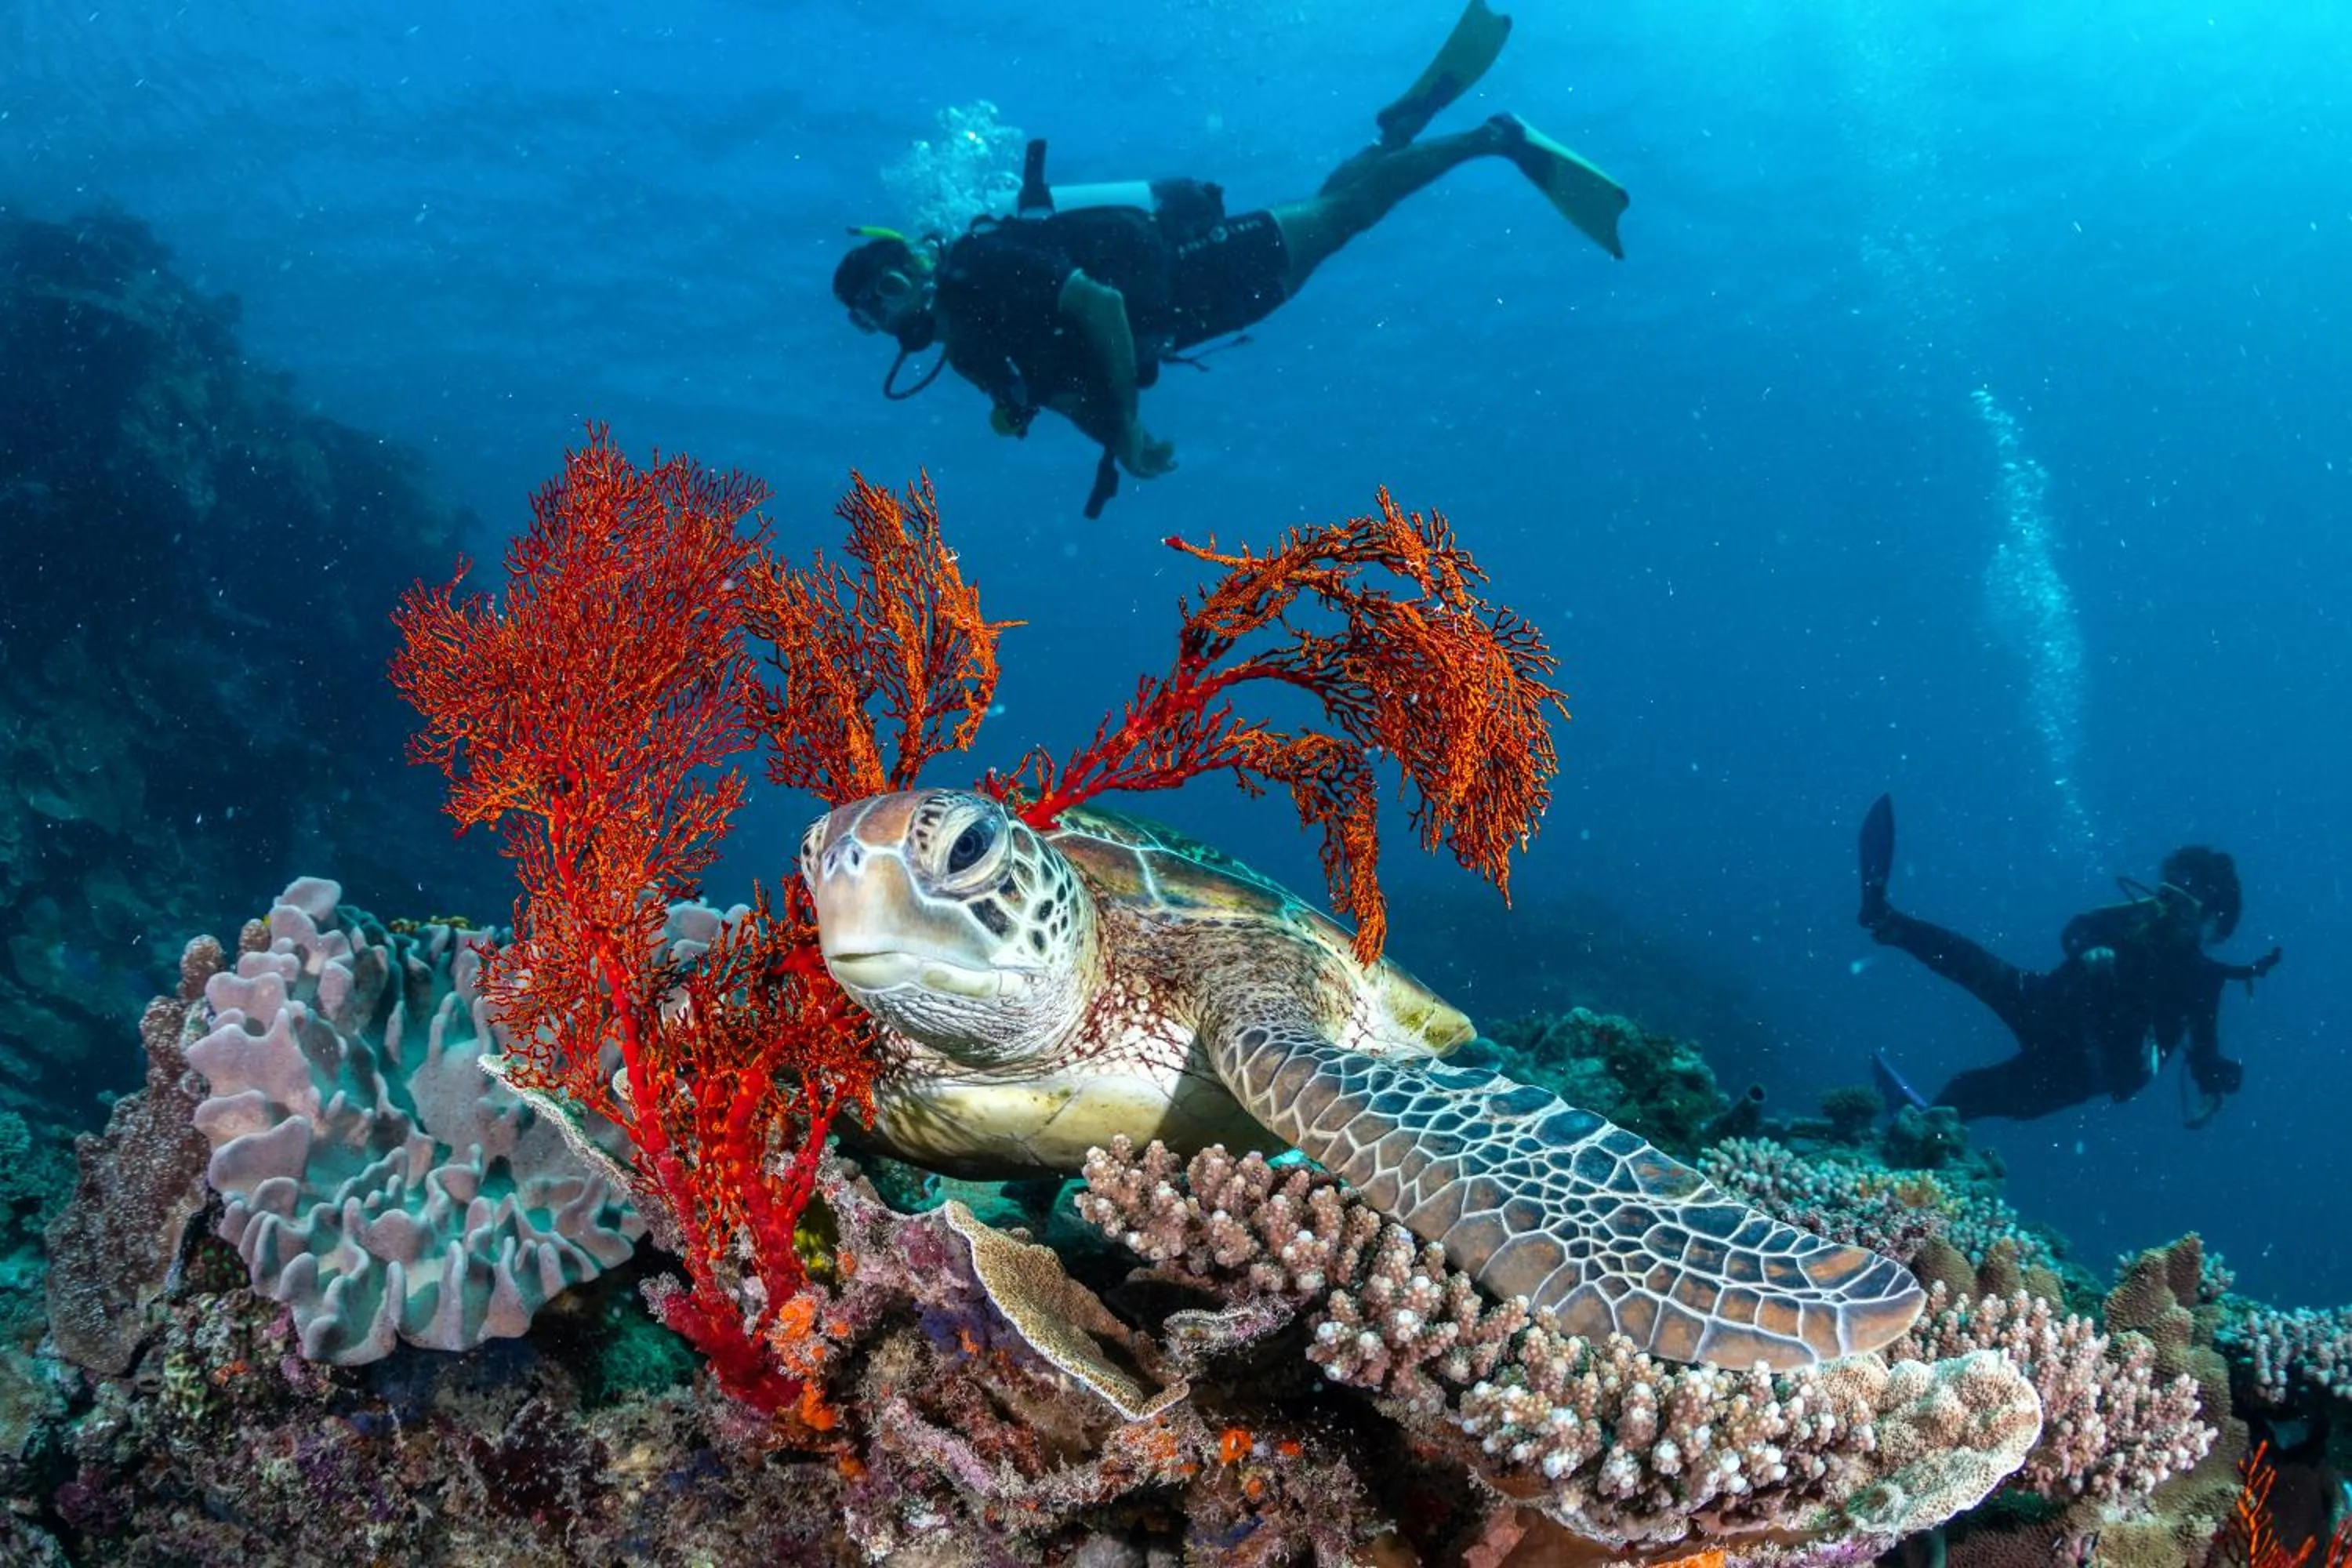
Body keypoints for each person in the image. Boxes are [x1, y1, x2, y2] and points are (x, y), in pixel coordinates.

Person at [830, 0, 1628, 517]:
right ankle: (1400, 128)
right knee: (1334, 211)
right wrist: (1118, 442)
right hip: (1201, 308)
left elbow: (1100, 308)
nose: (888, 311)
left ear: (913, 268)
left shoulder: (982, 267)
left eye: (887, 288)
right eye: (869, 314)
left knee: (1347, 213)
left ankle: (1497, 137)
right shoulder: (970, 355)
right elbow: (1064, 389)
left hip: (1199, 272)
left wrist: (1132, 419)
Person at [1857, 794, 2283, 1128]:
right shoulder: (2134, 917)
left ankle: (1919, 1142)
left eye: (2183, 907)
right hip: (2049, 1005)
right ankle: (1887, 919)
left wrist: (2211, 1090)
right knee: (1969, 961)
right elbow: (2077, 929)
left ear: (2210, 923)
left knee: (1967, 1092)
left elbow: (2205, 1047)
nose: (2166, 912)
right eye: (2165, 896)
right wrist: (2088, 950)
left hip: (2078, 1069)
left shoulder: (2200, 980)